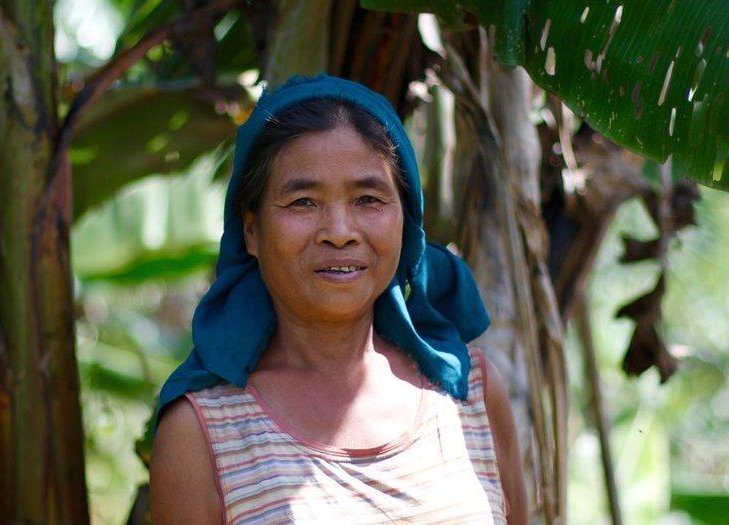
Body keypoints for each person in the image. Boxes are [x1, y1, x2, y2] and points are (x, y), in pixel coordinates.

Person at [150, 74, 527, 524]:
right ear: (251, 230)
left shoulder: (472, 394)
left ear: (405, 220)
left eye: (368, 198)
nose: (340, 232)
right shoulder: (200, 434)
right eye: (304, 202)